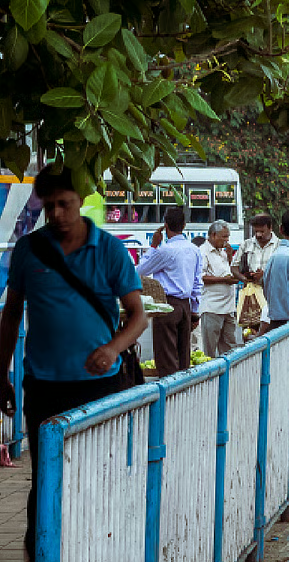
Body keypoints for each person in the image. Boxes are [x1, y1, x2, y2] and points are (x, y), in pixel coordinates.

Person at [0, 164, 146, 561]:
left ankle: (96, 548)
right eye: (50, 207)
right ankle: (40, 552)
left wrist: (114, 349)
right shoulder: (29, 250)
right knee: (46, 478)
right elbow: (11, 314)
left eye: (65, 205)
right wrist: (1, 375)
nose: (58, 215)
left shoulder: (110, 250)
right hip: (43, 384)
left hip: (100, 386)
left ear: (82, 202)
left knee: (97, 474)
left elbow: (137, 316)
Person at [137, 207, 204, 377]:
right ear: (184, 225)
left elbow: (139, 270)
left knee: (166, 357)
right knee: (183, 357)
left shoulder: (165, 250)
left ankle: (169, 398)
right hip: (185, 306)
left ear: (165, 226)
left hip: (167, 305)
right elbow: (197, 283)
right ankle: (183, 396)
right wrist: (195, 312)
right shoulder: (194, 250)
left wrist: (153, 245)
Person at [232, 214, 280, 335]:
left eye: (262, 231)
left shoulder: (279, 245)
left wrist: (264, 275)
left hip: (271, 295)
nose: (259, 235)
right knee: (249, 331)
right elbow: (234, 267)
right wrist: (244, 279)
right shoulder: (246, 244)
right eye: (256, 231)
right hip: (251, 295)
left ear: (270, 228)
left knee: (268, 331)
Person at [200, 220, 239, 357]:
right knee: (209, 351)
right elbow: (201, 278)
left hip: (228, 308)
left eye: (228, 236)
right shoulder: (203, 252)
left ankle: (229, 377)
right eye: (224, 236)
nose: (227, 240)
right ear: (214, 235)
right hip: (212, 308)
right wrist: (224, 280)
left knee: (229, 348)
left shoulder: (223, 252)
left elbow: (228, 271)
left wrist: (229, 257)